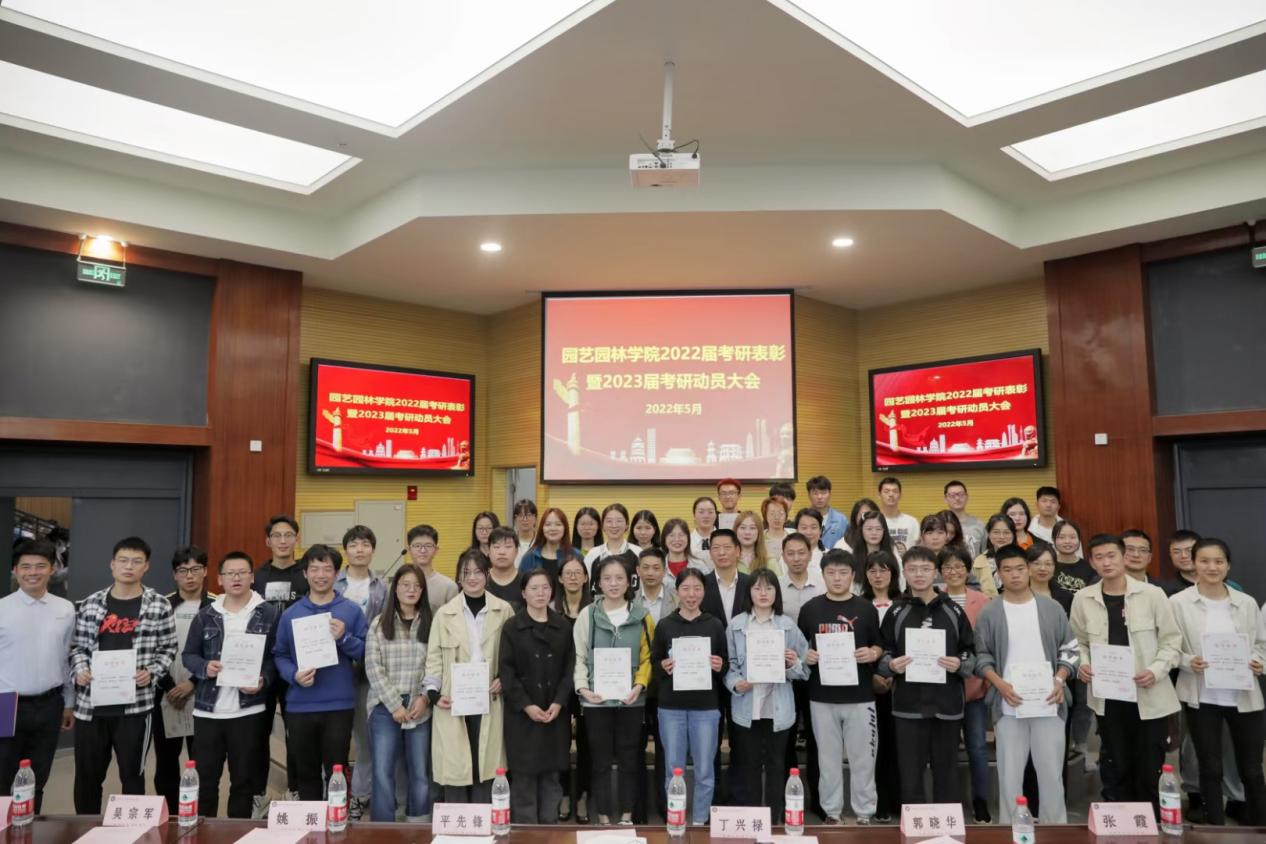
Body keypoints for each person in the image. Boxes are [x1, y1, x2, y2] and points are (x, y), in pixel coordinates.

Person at [1070, 534, 1181, 812]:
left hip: (1149, 694)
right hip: (1108, 696)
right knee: (1115, 764)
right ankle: (1119, 820)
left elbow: (1171, 641)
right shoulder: (1083, 598)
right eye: (1099, 557)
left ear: (1123, 557)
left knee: (1149, 766)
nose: (1106, 562)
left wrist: (1155, 671)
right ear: (1091, 562)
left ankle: (1151, 821)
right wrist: (1083, 663)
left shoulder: (1152, 594)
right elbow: (1078, 641)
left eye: (1112, 556)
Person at [71, 537, 177, 814]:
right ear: (112, 564)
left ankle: (132, 830)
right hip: (91, 707)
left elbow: (168, 647)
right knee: (87, 778)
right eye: (123, 560)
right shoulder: (90, 603)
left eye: (136, 561)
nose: (129, 567)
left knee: (132, 777)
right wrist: (81, 670)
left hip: (136, 707)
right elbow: (77, 647)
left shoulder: (159, 605)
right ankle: (86, 829)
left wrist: (152, 672)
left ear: (146, 566)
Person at [974, 545, 1076, 824]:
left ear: (1029, 570)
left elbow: (1070, 649)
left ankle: (1055, 828)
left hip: (1049, 702)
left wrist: (1059, 679)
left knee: (1051, 773)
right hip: (1008, 704)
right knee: (1009, 774)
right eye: (1007, 570)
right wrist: (1000, 685)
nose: (1015, 575)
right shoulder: (990, 612)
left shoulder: (1051, 608)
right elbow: (981, 656)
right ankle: (1011, 828)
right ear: (999, 574)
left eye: (1020, 568)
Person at [1168, 538, 1266, 826]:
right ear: (1194, 564)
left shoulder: (1246, 602)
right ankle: (1214, 828)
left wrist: (1258, 661)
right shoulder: (1178, 603)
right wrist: (1188, 661)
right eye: (1205, 561)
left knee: (1252, 769)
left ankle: (1260, 826)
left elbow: (1261, 644)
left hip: (1244, 697)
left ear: (1228, 566)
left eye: (1219, 561)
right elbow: (1169, 647)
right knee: (1209, 768)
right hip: (1202, 697)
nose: (1212, 567)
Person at [183, 551, 279, 818]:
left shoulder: (269, 614)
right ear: (219, 579)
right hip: (208, 712)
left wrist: (263, 679)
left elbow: (276, 657)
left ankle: (236, 833)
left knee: (243, 783)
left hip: (249, 711)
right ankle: (202, 833)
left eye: (242, 573)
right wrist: (204, 667)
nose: (236, 578)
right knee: (205, 782)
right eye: (230, 573)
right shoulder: (205, 615)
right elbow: (189, 655)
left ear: (252, 577)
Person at [877, 546, 975, 806]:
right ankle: (914, 823)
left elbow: (970, 652)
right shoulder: (896, 611)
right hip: (907, 705)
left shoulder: (953, 610)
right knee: (910, 773)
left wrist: (959, 663)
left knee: (947, 771)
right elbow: (883, 653)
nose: (919, 574)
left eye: (925, 569)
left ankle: (946, 823)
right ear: (904, 573)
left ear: (935, 573)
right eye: (912, 569)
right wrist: (891, 665)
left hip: (947, 705)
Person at [272, 544, 369, 801]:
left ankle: (337, 821)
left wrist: (344, 638)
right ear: (305, 573)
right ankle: (311, 822)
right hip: (300, 705)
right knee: (306, 773)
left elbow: (367, 653)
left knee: (337, 772)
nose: (321, 575)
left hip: (339, 705)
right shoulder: (291, 614)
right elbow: (279, 654)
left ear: (337, 573)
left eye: (327, 569)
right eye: (314, 569)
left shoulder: (351, 610)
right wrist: (294, 675)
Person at [800, 549, 883, 825]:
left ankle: (864, 813)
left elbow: (879, 645)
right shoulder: (810, 609)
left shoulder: (866, 609)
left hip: (860, 697)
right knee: (827, 759)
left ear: (853, 575)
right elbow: (800, 648)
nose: (837, 578)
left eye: (843, 572)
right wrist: (806, 656)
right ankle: (832, 812)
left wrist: (873, 653)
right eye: (831, 573)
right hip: (822, 697)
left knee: (864, 759)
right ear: (822, 575)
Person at [426, 549, 513, 803]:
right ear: (458, 577)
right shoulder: (444, 614)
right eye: (466, 573)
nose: (472, 578)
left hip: (490, 697)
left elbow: (513, 654)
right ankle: (458, 822)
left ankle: (484, 821)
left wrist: (504, 678)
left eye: (478, 572)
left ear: (488, 575)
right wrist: (433, 693)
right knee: (456, 765)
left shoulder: (504, 610)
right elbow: (433, 657)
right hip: (454, 698)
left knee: (486, 763)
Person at [573, 556, 654, 826]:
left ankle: (627, 816)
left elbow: (648, 658)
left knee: (630, 759)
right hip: (595, 703)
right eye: (607, 578)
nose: (613, 583)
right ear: (598, 582)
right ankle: (604, 816)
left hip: (631, 701)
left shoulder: (642, 616)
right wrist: (583, 688)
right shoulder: (588, 615)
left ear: (630, 581)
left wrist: (639, 685)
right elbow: (579, 657)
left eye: (620, 578)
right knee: (600, 761)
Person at [724, 569, 809, 817]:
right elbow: (730, 666)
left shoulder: (787, 626)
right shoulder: (737, 625)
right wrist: (736, 683)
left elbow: (805, 670)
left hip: (778, 707)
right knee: (748, 764)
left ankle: (775, 818)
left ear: (776, 593)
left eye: (769, 588)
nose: (763, 593)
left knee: (776, 765)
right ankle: (753, 818)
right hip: (747, 707)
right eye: (757, 588)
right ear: (749, 592)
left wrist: (792, 663)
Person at [0, 538, 75, 814]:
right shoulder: (2, 609)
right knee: (3, 775)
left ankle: (29, 828)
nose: (33, 572)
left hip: (50, 703)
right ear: (15, 570)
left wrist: (69, 702)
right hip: (5, 703)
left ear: (52, 569)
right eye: (26, 566)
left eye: (40, 566)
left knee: (37, 776)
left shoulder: (65, 609)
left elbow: (67, 658)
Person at [652, 567, 727, 826]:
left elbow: (725, 664)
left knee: (705, 770)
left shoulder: (714, 624)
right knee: (674, 769)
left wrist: (720, 665)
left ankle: (700, 821)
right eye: (686, 588)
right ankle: (676, 819)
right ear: (677, 592)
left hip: (706, 708)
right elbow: (654, 664)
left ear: (704, 591)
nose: (691, 594)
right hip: (671, 708)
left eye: (697, 588)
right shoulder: (665, 625)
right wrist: (662, 666)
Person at [499, 569, 575, 823]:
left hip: (554, 714)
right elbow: (507, 673)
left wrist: (559, 702)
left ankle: (550, 832)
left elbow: (570, 669)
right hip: (522, 717)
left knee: (552, 779)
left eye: (545, 587)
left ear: (552, 591)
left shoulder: (563, 626)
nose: (540, 593)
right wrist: (527, 705)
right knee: (524, 780)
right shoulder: (512, 627)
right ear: (523, 593)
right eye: (534, 588)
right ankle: (526, 833)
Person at [364, 565, 436, 822]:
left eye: (417, 586)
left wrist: (424, 698)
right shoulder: (378, 624)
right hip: (384, 707)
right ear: (395, 589)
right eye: (405, 584)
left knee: (420, 772)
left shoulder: (431, 623)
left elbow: (436, 665)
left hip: (420, 705)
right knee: (383, 772)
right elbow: (373, 667)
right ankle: (384, 829)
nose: (411, 590)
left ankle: (418, 824)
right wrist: (395, 705)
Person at [154, 546, 216, 813]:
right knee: (166, 763)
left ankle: (198, 815)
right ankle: (170, 816)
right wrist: (170, 686)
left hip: (204, 695)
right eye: (183, 570)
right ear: (174, 574)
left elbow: (219, 651)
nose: (189, 576)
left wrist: (192, 683)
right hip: (166, 694)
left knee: (202, 762)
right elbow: (150, 648)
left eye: (195, 569)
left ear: (205, 571)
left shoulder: (216, 605)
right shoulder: (161, 605)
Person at [253, 514, 307, 804]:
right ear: (268, 541)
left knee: (295, 732)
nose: (283, 541)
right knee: (257, 732)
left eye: (288, 535)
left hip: (297, 665)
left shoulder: (306, 574)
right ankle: (259, 795)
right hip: (261, 664)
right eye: (277, 535)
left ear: (297, 539)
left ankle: (296, 790)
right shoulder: (257, 576)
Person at [334, 525, 388, 820]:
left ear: (373, 550)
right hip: (334, 671)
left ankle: (360, 795)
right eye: (354, 544)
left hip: (369, 673)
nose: (359, 550)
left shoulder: (382, 587)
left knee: (366, 739)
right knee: (335, 740)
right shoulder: (333, 583)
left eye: (365, 544)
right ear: (346, 550)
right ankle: (334, 796)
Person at [937, 545, 991, 822]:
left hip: (974, 687)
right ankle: (949, 805)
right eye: (947, 567)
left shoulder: (982, 601)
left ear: (968, 570)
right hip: (941, 686)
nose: (953, 571)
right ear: (940, 571)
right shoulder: (934, 597)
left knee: (978, 747)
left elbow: (986, 645)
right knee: (945, 750)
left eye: (959, 566)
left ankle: (981, 801)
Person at [632, 548, 673, 822]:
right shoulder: (627, 600)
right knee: (634, 748)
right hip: (636, 685)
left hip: (668, 685)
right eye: (645, 567)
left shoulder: (677, 597)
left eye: (656, 567)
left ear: (664, 570)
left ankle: (664, 803)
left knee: (664, 748)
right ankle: (637, 810)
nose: (650, 573)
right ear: (637, 571)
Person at [863, 551, 902, 822]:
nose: (878, 575)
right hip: (867, 686)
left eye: (884, 570)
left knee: (897, 745)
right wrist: (871, 677)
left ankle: (898, 800)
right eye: (872, 570)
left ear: (894, 573)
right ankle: (877, 803)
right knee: (872, 746)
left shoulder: (904, 603)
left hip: (901, 685)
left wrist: (893, 675)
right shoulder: (858, 604)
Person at [555, 556, 593, 822]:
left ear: (586, 578)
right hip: (559, 686)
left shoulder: (595, 610)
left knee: (586, 743)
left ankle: (582, 795)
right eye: (567, 573)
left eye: (577, 572)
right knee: (560, 742)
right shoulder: (551, 610)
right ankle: (564, 794)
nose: (572, 577)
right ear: (559, 578)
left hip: (588, 685)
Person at [518, 507, 583, 596]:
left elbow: (583, 587)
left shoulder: (576, 555)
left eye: (558, 524)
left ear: (565, 528)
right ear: (542, 528)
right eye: (548, 524)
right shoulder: (530, 557)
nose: (553, 528)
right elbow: (521, 588)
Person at [701, 530, 751, 627]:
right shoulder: (702, 585)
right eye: (716, 548)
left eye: (727, 547)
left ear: (738, 551)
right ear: (710, 553)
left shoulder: (750, 583)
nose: (721, 553)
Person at [406, 524, 459, 614]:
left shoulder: (448, 586)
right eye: (417, 546)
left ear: (436, 550)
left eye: (428, 546)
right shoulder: (399, 584)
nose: (423, 550)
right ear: (409, 549)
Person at [777, 533, 826, 625]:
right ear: (783, 557)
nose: (796, 559)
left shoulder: (823, 584)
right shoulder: (776, 586)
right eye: (790, 554)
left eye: (801, 553)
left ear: (810, 555)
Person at [584, 504, 641, 571]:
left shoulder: (638, 552)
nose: (614, 525)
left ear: (627, 524)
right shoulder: (593, 554)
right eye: (609, 521)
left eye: (619, 521)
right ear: (602, 525)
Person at [970, 514, 1015, 598]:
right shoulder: (979, 561)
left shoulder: (1024, 559)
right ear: (989, 534)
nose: (1001, 537)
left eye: (1006, 532)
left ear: (1013, 534)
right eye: (996, 532)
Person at [1026, 542, 1074, 616]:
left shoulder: (1066, 597)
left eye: (1048, 564)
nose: (1043, 568)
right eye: (1037, 563)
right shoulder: (1016, 595)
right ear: (1026, 566)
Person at [1051, 519, 1097, 593]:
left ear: (1079, 540)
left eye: (1072, 537)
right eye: (1062, 537)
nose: (1067, 541)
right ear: (1053, 540)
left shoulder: (1090, 568)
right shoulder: (1048, 566)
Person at [877, 477, 919, 556]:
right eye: (886, 491)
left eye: (895, 491)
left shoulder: (912, 522)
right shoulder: (874, 522)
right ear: (879, 495)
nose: (891, 494)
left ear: (900, 495)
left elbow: (917, 549)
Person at [485, 526, 525, 611]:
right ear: (488, 551)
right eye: (496, 547)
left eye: (508, 547)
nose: (502, 552)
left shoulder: (526, 581)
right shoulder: (481, 580)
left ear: (516, 551)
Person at [943, 480, 984, 557]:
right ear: (945, 498)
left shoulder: (979, 524)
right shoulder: (939, 523)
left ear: (967, 497)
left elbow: (985, 553)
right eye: (952, 495)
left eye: (961, 494)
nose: (957, 498)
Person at [806, 475, 848, 550]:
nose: (819, 497)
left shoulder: (841, 520)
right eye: (815, 493)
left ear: (830, 494)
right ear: (809, 495)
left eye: (823, 493)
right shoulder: (802, 519)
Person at [793, 508, 825, 575]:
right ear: (796, 530)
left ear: (820, 530)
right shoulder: (788, 555)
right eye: (804, 528)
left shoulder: (829, 556)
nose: (809, 532)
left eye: (813, 527)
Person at [689, 497, 719, 569]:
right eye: (701, 512)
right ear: (694, 515)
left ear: (716, 515)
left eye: (710, 512)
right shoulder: (687, 541)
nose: (706, 516)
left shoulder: (724, 539)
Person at [761, 495, 793, 563]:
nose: (776, 517)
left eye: (781, 513)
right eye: (772, 514)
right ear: (765, 516)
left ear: (786, 516)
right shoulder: (760, 538)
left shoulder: (793, 536)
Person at [512, 499, 539, 568]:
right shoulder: (510, 541)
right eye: (521, 515)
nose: (525, 519)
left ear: (535, 519)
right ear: (515, 519)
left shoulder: (541, 541)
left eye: (529, 515)